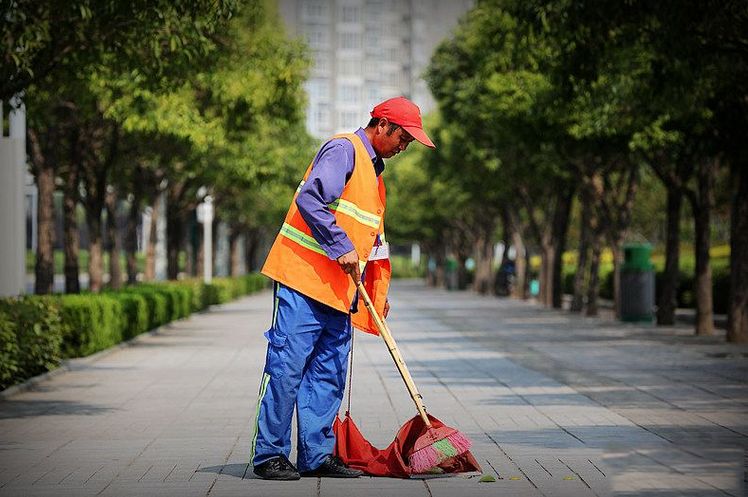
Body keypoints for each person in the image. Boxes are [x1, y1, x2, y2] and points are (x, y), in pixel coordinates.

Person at [252, 96, 435, 480]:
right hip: (303, 281)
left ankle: (316, 456)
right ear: (383, 124)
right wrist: (341, 247)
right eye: (404, 137)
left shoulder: (375, 177)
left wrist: (376, 298)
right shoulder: (343, 150)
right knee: (287, 368)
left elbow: (372, 245)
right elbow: (311, 200)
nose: (406, 146)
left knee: (328, 373)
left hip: (340, 292)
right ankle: (270, 454)